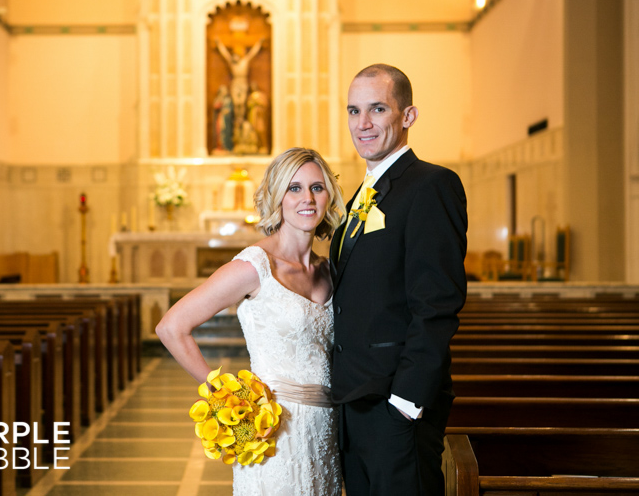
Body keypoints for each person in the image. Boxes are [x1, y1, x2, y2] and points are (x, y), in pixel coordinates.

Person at [156, 147, 346, 495]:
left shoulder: (330, 270)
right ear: (277, 196)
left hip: (326, 431)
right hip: (272, 431)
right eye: (294, 188)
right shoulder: (254, 267)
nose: (307, 198)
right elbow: (171, 327)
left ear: (329, 196)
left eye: (317, 188)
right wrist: (225, 396)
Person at [329, 64, 467, 495]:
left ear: (408, 116)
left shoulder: (431, 185)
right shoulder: (363, 193)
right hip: (356, 404)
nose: (362, 124)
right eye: (353, 111)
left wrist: (405, 404)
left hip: (396, 405)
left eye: (377, 109)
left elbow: (437, 305)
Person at [215, 37, 265, 122]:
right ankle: (236, 119)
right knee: (235, 102)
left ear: (238, 57)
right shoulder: (232, 64)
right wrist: (219, 45)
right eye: (233, 57)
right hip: (235, 82)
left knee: (242, 102)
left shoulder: (244, 62)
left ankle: (241, 118)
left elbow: (252, 53)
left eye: (235, 57)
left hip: (243, 82)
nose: (234, 59)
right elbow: (225, 54)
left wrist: (259, 44)